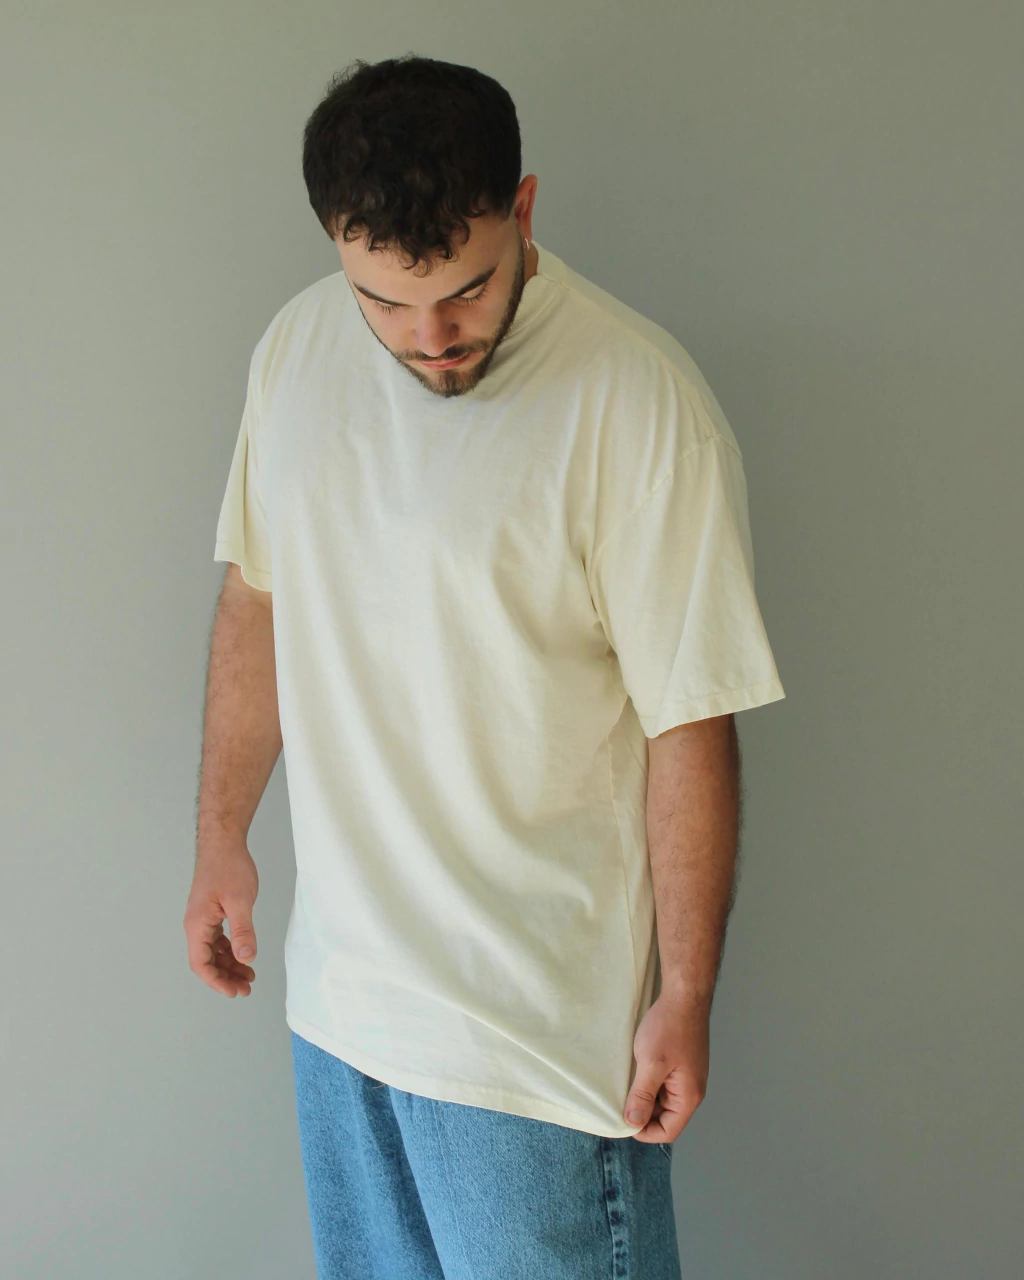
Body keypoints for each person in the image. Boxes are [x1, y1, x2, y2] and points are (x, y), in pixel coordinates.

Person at [184, 53, 786, 1280]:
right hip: (340, 1012)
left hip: (529, 1043)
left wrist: (686, 991)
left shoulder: (638, 405)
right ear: (334, 243)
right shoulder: (295, 351)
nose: (430, 338)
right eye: (385, 301)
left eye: (465, 290)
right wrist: (220, 834)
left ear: (522, 207)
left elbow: (689, 719)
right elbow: (258, 594)